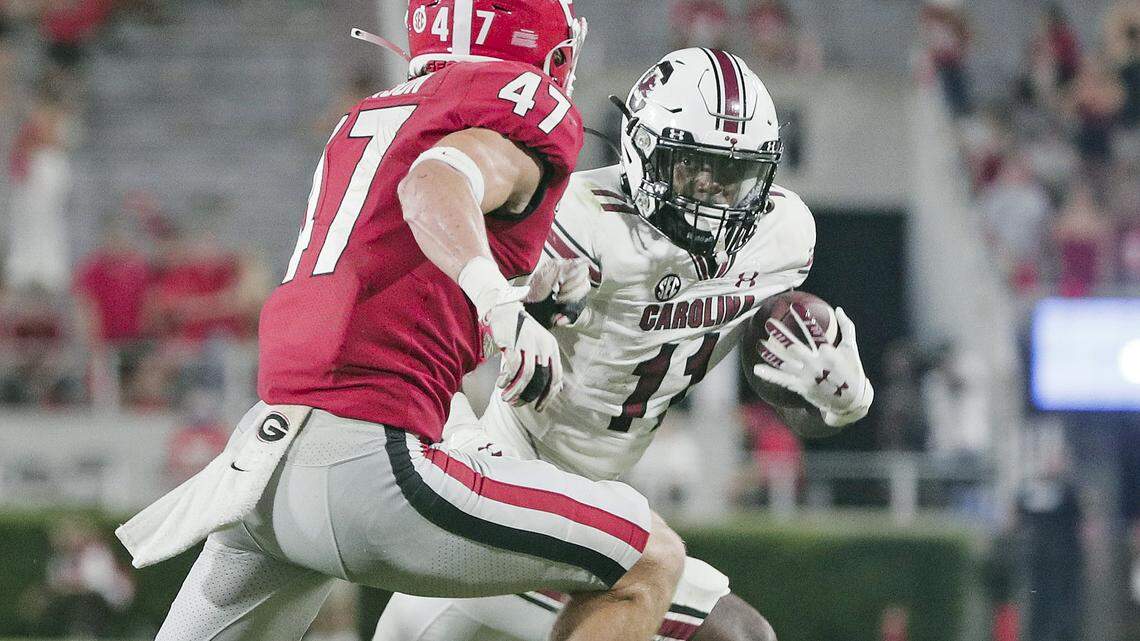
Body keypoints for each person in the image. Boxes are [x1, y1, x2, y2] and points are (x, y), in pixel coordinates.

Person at [118, 3, 690, 641]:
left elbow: (388, 280)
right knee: (647, 560)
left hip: (264, 466)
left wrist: (522, 299)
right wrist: (497, 298)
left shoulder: (375, 117)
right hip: (368, 466)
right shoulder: (518, 109)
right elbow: (435, 183)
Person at [373, 48, 873, 641]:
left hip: (590, 493)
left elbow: (797, 405)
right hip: (503, 472)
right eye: (693, 168)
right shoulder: (578, 218)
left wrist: (839, 400)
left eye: (734, 175)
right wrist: (463, 431)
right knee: (733, 633)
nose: (713, 197)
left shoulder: (781, 237)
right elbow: (427, 332)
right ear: (641, 150)